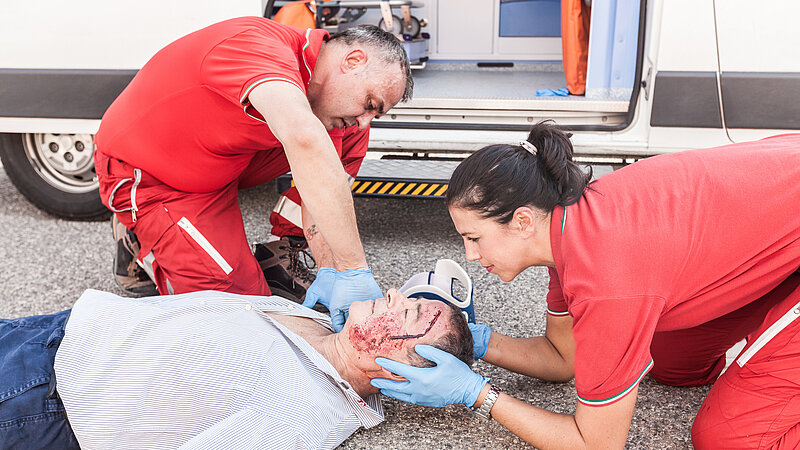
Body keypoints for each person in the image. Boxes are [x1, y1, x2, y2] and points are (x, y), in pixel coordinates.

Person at [370, 122, 800, 449]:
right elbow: (564, 359)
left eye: (474, 238)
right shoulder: (565, 224)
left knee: (733, 437)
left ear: (522, 221)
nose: (469, 256)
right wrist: (475, 341)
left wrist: (477, 394)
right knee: (673, 365)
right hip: (784, 206)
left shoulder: (608, 283)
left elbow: (595, 443)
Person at [95, 17, 413, 331]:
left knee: (342, 142)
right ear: (353, 61)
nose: (366, 121)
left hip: (217, 162)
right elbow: (303, 137)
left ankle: (281, 254)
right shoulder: (255, 47)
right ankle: (139, 238)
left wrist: (331, 271)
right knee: (240, 315)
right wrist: (354, 270)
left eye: (377, 113)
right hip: (153, 174)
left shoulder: (337, 113)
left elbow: (322, 181)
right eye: (370, 103)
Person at [0, 288, 472, 449]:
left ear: (399, 373)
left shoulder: (301, 419)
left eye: (406, 314)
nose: (392, 295)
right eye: (409, 299)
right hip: (60, 329)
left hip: (44, 396)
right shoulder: (320, 323)